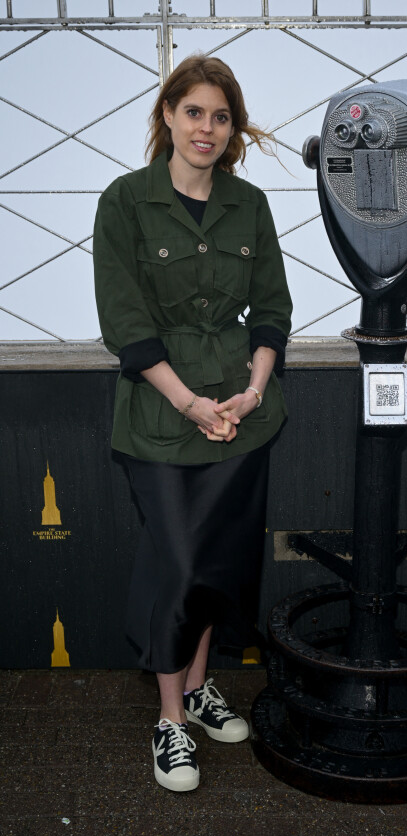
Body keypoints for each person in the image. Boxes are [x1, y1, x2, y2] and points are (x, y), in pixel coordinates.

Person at [93, 54, 292, 793]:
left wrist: (251, 390)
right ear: (168, 115)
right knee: (177, 566)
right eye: (194, 112)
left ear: (233, 127)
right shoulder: (124, 202)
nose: (207, 127)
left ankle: (202, 692)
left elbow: (272, 309)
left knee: (215, 568)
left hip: (244, 416)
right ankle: (170, 721)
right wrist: (189, 403)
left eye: (221, 115)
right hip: (161, 416)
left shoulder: (251, 204)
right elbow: (126, 324)